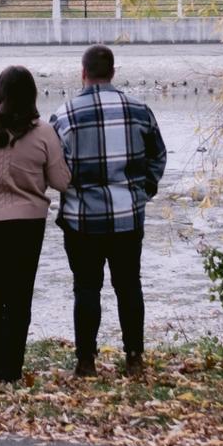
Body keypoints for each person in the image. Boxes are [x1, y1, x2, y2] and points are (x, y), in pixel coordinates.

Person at [50, 44, 166, 377]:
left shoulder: (64, 116)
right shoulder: (139, 111)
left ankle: (86, 361)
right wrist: (143, 191)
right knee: (129, 286)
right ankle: (134, 358)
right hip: (128, 217)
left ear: (83, 73)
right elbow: (158, 156)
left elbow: (54, 168)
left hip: (82, 219)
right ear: (113, 72)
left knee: (86, 288)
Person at [0, 64, 70, 383]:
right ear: (32, 94)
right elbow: (61, 181)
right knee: (18, 297)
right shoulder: (43, 132)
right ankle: (11, 370)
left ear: (0, 92)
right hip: (26, 224)